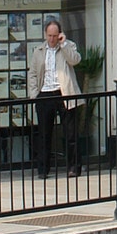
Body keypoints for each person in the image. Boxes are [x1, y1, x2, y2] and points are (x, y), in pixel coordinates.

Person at [27, 17, 82, 177]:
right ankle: (43, 170)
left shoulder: (68, 46)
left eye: (55, 35)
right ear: (45, 34)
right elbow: (32, 73)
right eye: (49, 36)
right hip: (44, 94)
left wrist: (63, 44)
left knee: (70, 133)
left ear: (60, 34)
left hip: (64, 92)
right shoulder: (38, 51)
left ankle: (74, 167)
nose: (52, 39)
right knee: (44, 134)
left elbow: (75, 60)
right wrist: (34, 94)